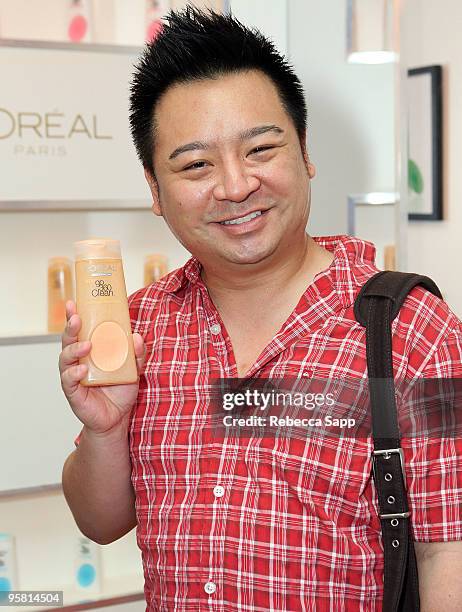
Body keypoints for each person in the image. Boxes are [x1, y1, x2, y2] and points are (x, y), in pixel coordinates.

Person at [60, 7, 462, 610]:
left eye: (260, 149)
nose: (234, 186)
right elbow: (101, 522)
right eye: (196, 165)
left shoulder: (411, 330)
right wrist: (105, 430)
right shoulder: (139, 325)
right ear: (154, 190)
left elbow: (446, 549)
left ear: (303, 152)